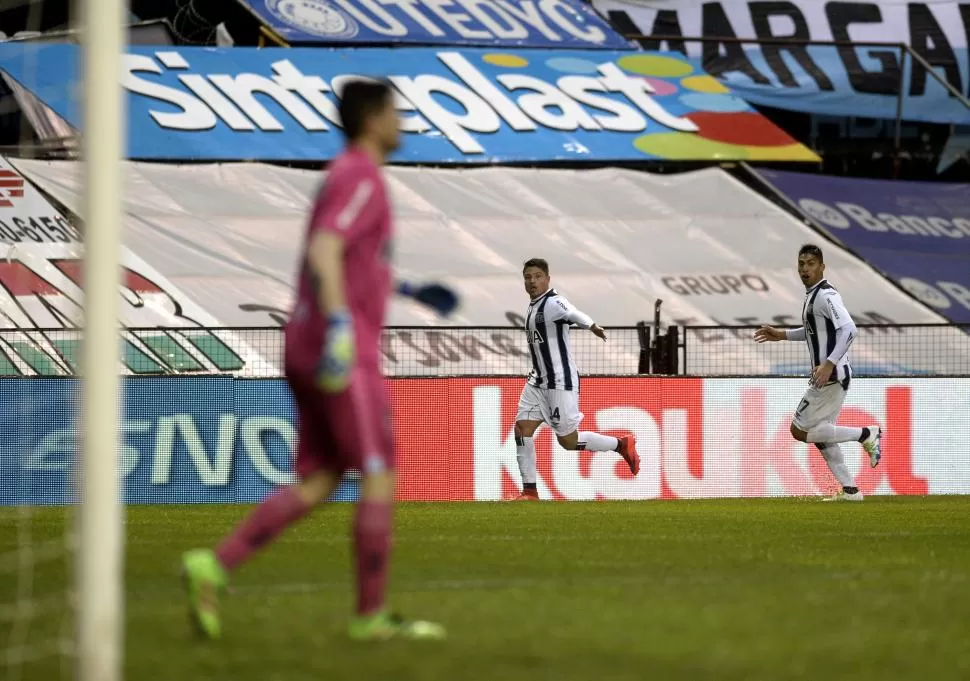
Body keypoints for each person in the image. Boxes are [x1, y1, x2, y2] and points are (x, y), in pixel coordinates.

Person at [181, 79, 457, 641]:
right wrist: (338, 326)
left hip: (306, 341)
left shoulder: (343, 176)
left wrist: (409, 289)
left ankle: (214, 566)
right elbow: (326, 248)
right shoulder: (361, 175)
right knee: (379, 474)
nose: (401, 123)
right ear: (375, 119)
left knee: (325, 476)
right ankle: (370, 618)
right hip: (340, 347)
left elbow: (353, 259)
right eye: (396, 113)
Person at [754, 244, 881, 502]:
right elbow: (815, 331)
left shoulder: (825, 295)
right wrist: (782, 335)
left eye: (811, 264)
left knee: (798, 431)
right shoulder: (813, 295)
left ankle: (866, 434)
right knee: (823, 434)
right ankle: (851, 491)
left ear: (822, 266)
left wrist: (829, 364)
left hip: (830, 376)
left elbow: (849, 330)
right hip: (831, 374)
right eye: (801, 264)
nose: (805, 269)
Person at [512, 258, 640, 501]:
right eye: (528, 277)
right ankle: (529, 492)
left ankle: (621, 445)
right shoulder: (533, 305)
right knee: (521, 429)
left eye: (538, 276)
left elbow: (571, 311)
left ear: (548, 279)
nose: (532, 281)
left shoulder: (552, 302)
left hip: (560, 382)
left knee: (568, 442)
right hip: (537, 381)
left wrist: (591, 325)